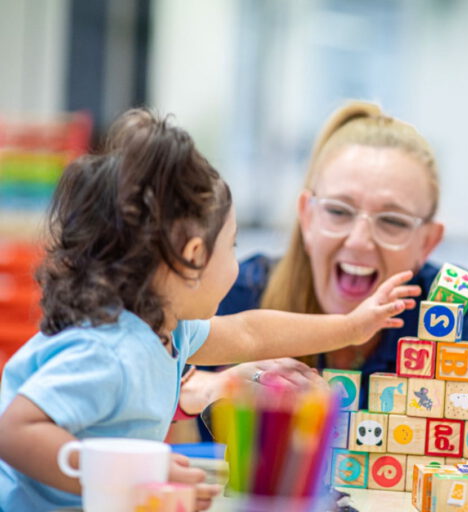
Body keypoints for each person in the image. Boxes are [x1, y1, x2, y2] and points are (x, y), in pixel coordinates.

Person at [0, 108, 419, 512]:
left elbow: (251, 334)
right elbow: (14, 433)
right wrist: (138, 475)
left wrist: (350, 327)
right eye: (232, 245)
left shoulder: (166, 332)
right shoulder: (107, 351)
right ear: (195, 256)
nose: (237, 263)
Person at [183, 101, 468, 495]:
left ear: (427, 242)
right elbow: (152, 378)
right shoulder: (238, 292)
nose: (360, 241)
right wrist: (212, 386)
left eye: (393, 221)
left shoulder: (455, 306)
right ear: (306, 217)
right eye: (339, 212)